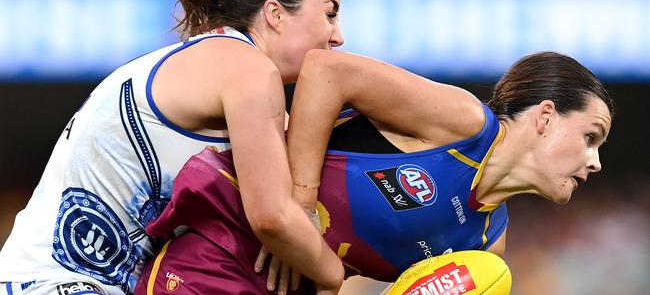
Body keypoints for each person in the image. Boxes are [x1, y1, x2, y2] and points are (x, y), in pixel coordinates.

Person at [0, 0, 345, 294]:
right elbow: (273, 217)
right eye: (330, 14)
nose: (338, 36)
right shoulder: (248, 69)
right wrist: (330, 274)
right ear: (275, 13)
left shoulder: (216, 60)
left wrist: (295, 232)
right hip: (62, 284)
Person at [134, 50, 613, 294]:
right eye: (590, 137)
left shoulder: (487, 249)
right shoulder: (462, 124)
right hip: (222, 252)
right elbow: (325, 70)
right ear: (545, 117)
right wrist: (296, 206)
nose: (595, 161)